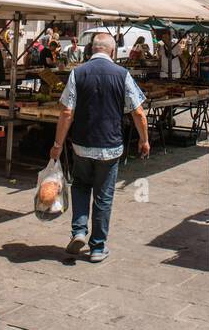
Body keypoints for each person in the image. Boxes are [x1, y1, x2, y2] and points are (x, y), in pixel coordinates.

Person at [50, 32, 149, 263]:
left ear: (91, 50)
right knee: (104, 196)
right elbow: (138, 112)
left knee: (81, 187)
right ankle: (97, 247)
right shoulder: (122, 74)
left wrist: (57, 144)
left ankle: (79, 231)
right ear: (112, 51)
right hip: (110, 145)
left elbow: (67, 112)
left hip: (82, 144)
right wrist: (144, 140)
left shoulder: (78, 73)